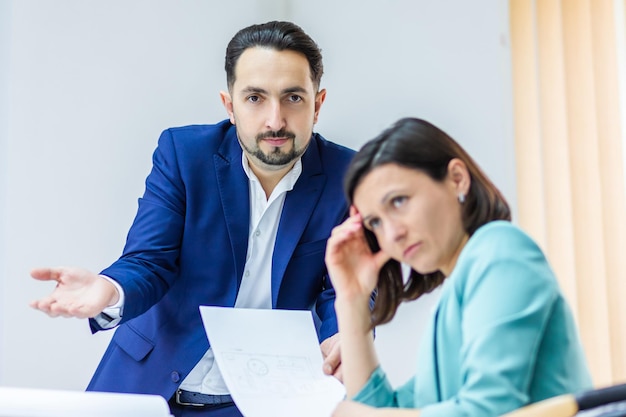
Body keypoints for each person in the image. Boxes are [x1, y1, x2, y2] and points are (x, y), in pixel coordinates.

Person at [29, 21, 354, 417]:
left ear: (317, 104)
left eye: (293, 98)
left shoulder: (348, 176)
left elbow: (346, 285)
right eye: (255, 97)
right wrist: (110, 288)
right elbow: (150, 259)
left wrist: (343, 335)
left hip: (263, 401)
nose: (275, 120)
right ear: (229, 104)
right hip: (148, 388)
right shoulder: (183, 154)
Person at [324, 117, 592, 417]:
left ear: (457, 179)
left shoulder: (500, 251)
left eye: (398, 201)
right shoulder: (455, 297)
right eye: (375, 222)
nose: (392, 234)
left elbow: (487, 410)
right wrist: (352, 300)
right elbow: (383, 409)